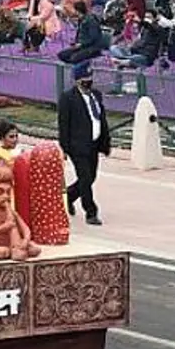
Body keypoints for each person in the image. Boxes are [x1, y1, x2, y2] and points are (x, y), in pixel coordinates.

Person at [57, 61, 108, 226]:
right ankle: (91, 211)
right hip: (77, 146)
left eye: (90, 78)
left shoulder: (96, 95)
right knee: (85, 178)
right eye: (85, 79)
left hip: (94, 144)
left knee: (91, 177)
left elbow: (101, 119)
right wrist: (64, 147)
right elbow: (63, 124)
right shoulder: (68, 98)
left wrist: (105, 143)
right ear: (77, 80)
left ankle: (69, 196)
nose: (88, 81)